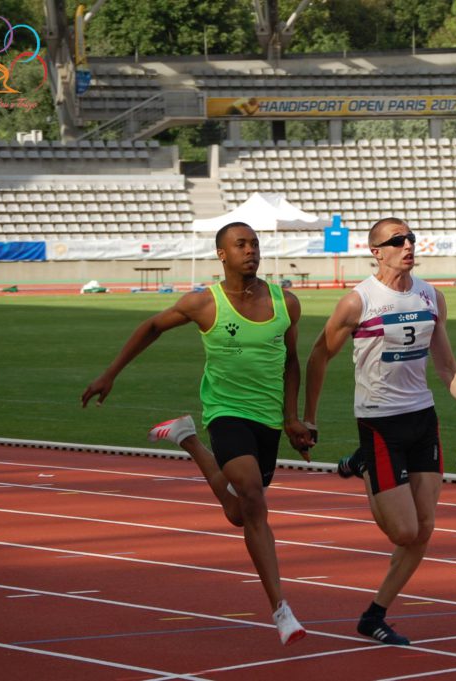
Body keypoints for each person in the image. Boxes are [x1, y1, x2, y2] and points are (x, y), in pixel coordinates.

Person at [81, 222, 312, 645]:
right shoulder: (204, 303)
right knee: (254, 501)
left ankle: (186, 438)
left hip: (268, 419)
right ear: (221, 254)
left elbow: (292, 362)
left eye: (255, 244)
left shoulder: (286, 302)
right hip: (226, 413)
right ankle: (282, 610)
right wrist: (110, 373)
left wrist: (292, 418)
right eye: (241, 245)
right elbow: (151, 326)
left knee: (240, 513)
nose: (251, 251)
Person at [304, 217, 456, 645]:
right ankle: (364, 466)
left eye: (410, 238)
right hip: (379, 422)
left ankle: (374, 614)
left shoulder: (431, 296)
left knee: (424, 528)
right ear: (376, 251)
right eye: (397, 240)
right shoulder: (358, 302)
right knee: (403, 532)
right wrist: (309, 418)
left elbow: (446, 365)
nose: (408, 245)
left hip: (422, 419)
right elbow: (318, 357)